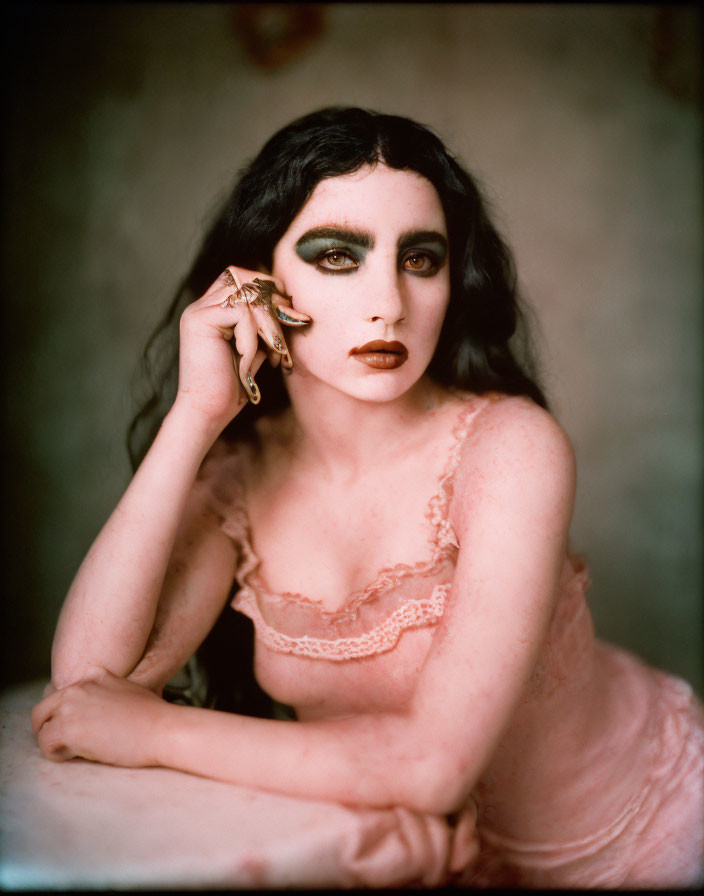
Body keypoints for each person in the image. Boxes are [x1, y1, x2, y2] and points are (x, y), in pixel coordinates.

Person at [31, 107, 703, 888]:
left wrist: (153, 731)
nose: (388, 301)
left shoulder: (510, 449)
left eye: (420, 259)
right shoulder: (239, 476)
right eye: (337, 256)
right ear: (256, 280)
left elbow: (432, 769)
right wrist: (196, 415)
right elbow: (84, 686)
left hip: (652, 843)